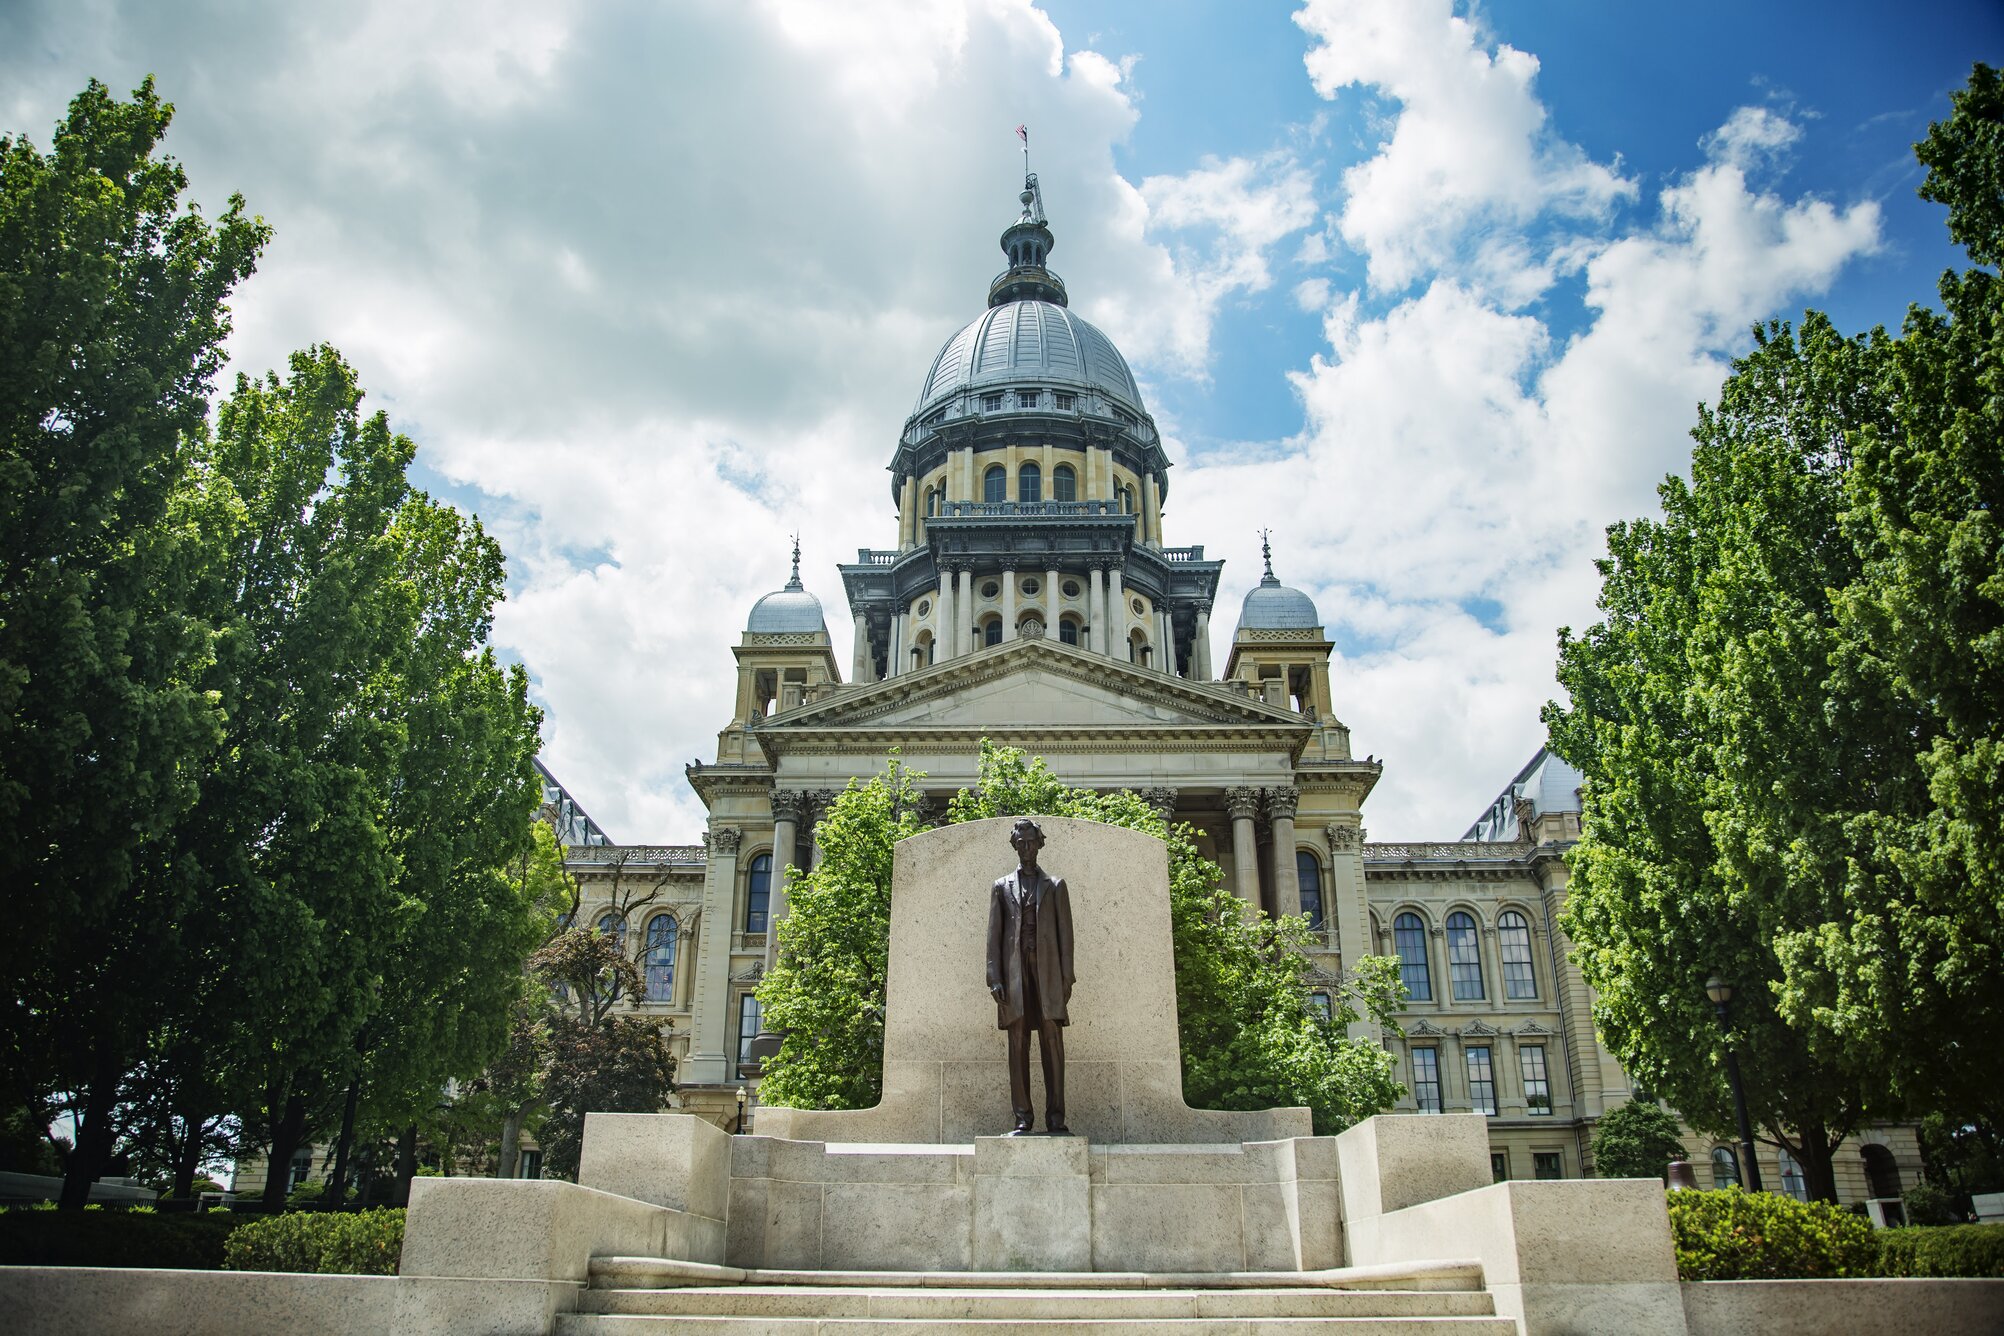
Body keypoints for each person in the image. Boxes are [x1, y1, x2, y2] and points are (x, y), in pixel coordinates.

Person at [985, 817, 1075, 1134]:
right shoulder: (1001, 887)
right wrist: (993, 977)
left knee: (1052, 1041)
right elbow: (994, 936)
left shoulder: (1055, 886)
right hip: (1013, 975)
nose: (1026, 848)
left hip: (1048, 973)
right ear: (1015, 845)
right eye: (1020, 843)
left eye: (1031, 842)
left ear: (1039, 844)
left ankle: (1056, 1119)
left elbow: (1066, 937)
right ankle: (1023, 1118)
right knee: (1017, 1042)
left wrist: (1067, 978)